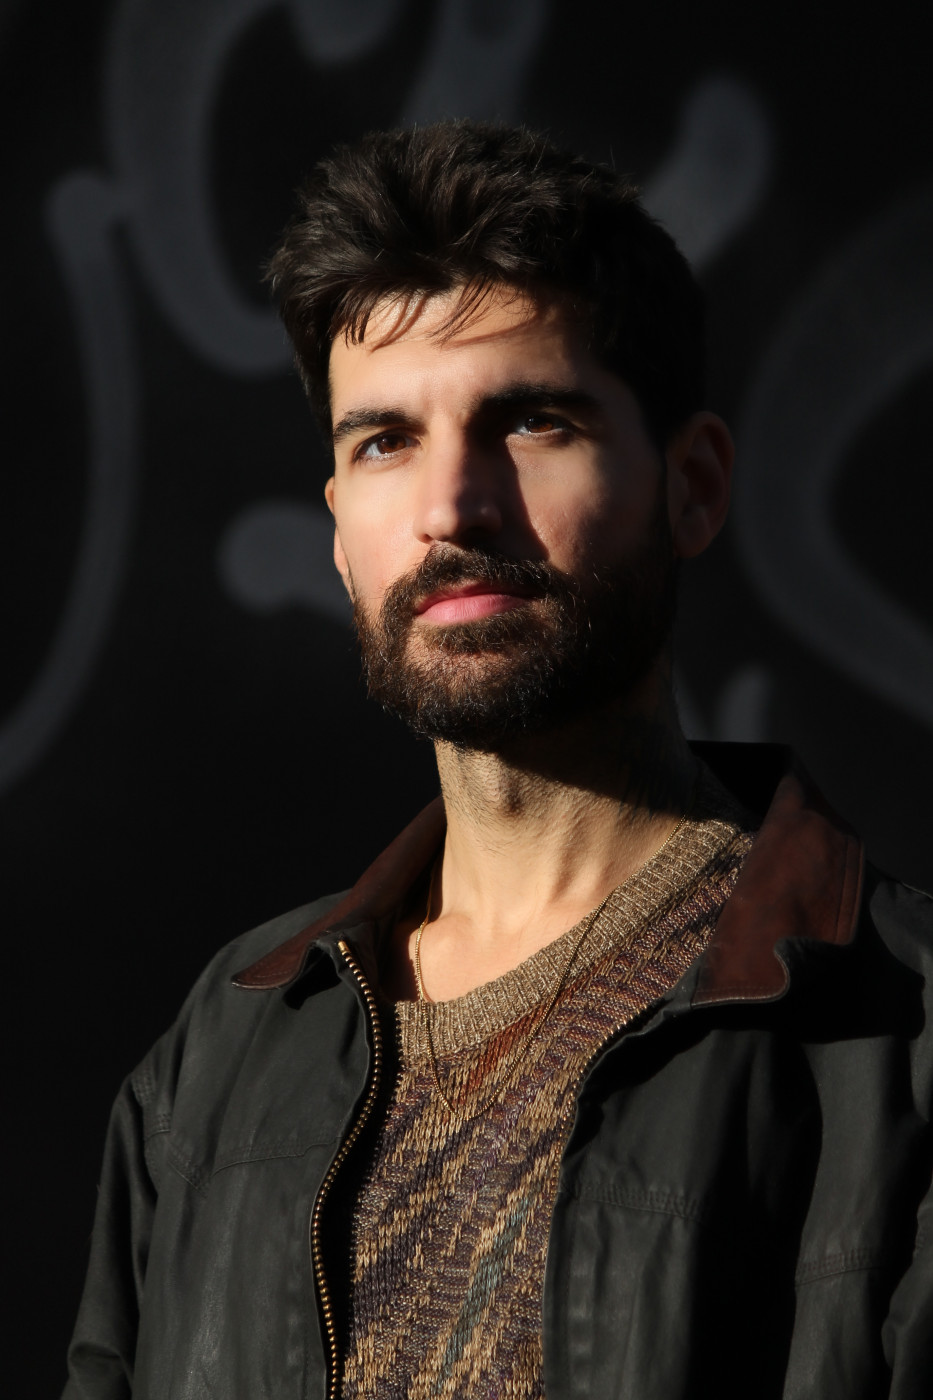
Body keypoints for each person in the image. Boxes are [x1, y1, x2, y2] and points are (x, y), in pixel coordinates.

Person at [64, 121, 932, 1400]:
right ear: (341, 537)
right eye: (384, 441)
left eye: (530, 420)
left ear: (693, 485)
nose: (451, 506)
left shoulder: (899, 1041)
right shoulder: (222, 1051)